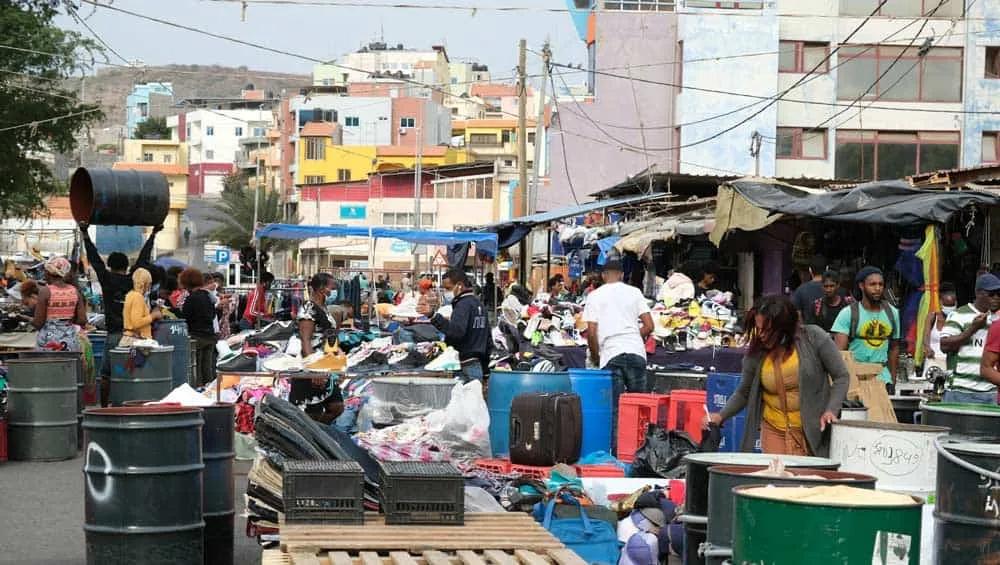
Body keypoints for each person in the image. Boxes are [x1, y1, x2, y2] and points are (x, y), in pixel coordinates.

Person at [706, 296, 849, 456]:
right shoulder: (755, 354)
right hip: (773, 431)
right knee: (776, 476)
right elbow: (743, 392)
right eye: (758, 328)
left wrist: (831, 410)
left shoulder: (814, 337)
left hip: (813, 432)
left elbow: (841, 376)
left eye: (767, 330)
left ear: (784, 327)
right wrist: (720, 416)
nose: (761, 335)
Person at [79, 222, 160, 397]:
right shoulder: (134, 281)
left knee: (107, 374)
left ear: (110, 265)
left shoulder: (107, 280)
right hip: (135, 337)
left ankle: (106, 406)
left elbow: (95, 260)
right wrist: (153, 234)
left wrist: (85, 233)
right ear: (127, 267)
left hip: (115, 335)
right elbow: (143, 259)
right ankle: (130, 403)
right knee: (133, 373)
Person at [583, 256, 654, 444]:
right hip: (636, 352)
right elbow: (649, 326)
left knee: (615, 408)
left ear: (604, 275)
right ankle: (642, 450)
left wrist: (597, 356)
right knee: (640, 407)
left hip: (611, 354)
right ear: (622, 275)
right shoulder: (634, 292)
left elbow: (591, 332)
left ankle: (616, 452)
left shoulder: (595, 296)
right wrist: (631, 338)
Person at [832, 267, 900, 385]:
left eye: (880, 284)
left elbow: (894, 348)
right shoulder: (848, 313)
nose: (877, 288)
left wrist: (893, 381)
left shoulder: (892, 313)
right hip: (856, 377)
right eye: (872, 284)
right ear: (862, 286)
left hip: (883, 378)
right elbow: (839, 354)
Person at [420, 269, 491, 382]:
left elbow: (456, 332)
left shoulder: (462, 305)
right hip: (478, 364)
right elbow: (488, 339)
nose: (446, 293)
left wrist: (433, 316)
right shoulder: (478, 304)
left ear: (459, 286)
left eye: (448, 288)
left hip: (465, 365)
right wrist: (486, 371)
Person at [294, 273, 345, 425]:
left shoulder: (323, 308)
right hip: (313, 366)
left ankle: (318, 435)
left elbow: (329, 337)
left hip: (326, 365)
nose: (334, 291)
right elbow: (306, 340)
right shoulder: (308, 309)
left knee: (337, 407)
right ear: (323, 289)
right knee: (313, 412)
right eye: (333, 288)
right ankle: (310, 439)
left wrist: (338, 362)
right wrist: (313, 370)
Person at [940, 274, 1000, 404]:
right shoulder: (959, 315)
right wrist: (972, 329)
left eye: (998, 294)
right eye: (991, 294)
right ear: (978, 293)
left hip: (990, 392)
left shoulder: (997, 319)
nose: (996, 298)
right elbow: (944, 345)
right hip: (961, 390)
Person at [32, 256, 87, 352]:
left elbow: (38, 323)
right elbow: (82, 320)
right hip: (70, 340)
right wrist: (67, 322)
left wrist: (30, 321)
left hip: (49, 341)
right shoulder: (75, 291)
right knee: (69, 366)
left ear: (48, 272)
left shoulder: (45, 291)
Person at [179, 269, 218, 387]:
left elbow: (185, 317)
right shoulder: (208, 296)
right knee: (208, 367)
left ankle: (199, 389)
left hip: (197, 337)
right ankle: (209, 390)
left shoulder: (191, 299)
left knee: (196, 368)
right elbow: (213, 315)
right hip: (210, 336)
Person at [922, 282, 957, 375]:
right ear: (940, 302)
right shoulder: (932, 317)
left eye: (952, 305)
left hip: (952, 363)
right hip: (933, 362)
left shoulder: (959, 318)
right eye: (947, 306)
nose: (949, 308)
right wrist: (927, 348)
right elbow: (925, 338)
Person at [122, 267, 162, 345]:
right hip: (137, 341)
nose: (150, 287)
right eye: (149, 283)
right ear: (144, 283)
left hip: (131, 338)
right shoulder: (138, 297)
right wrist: (153, 316)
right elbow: (136, 322)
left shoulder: (130, 295)